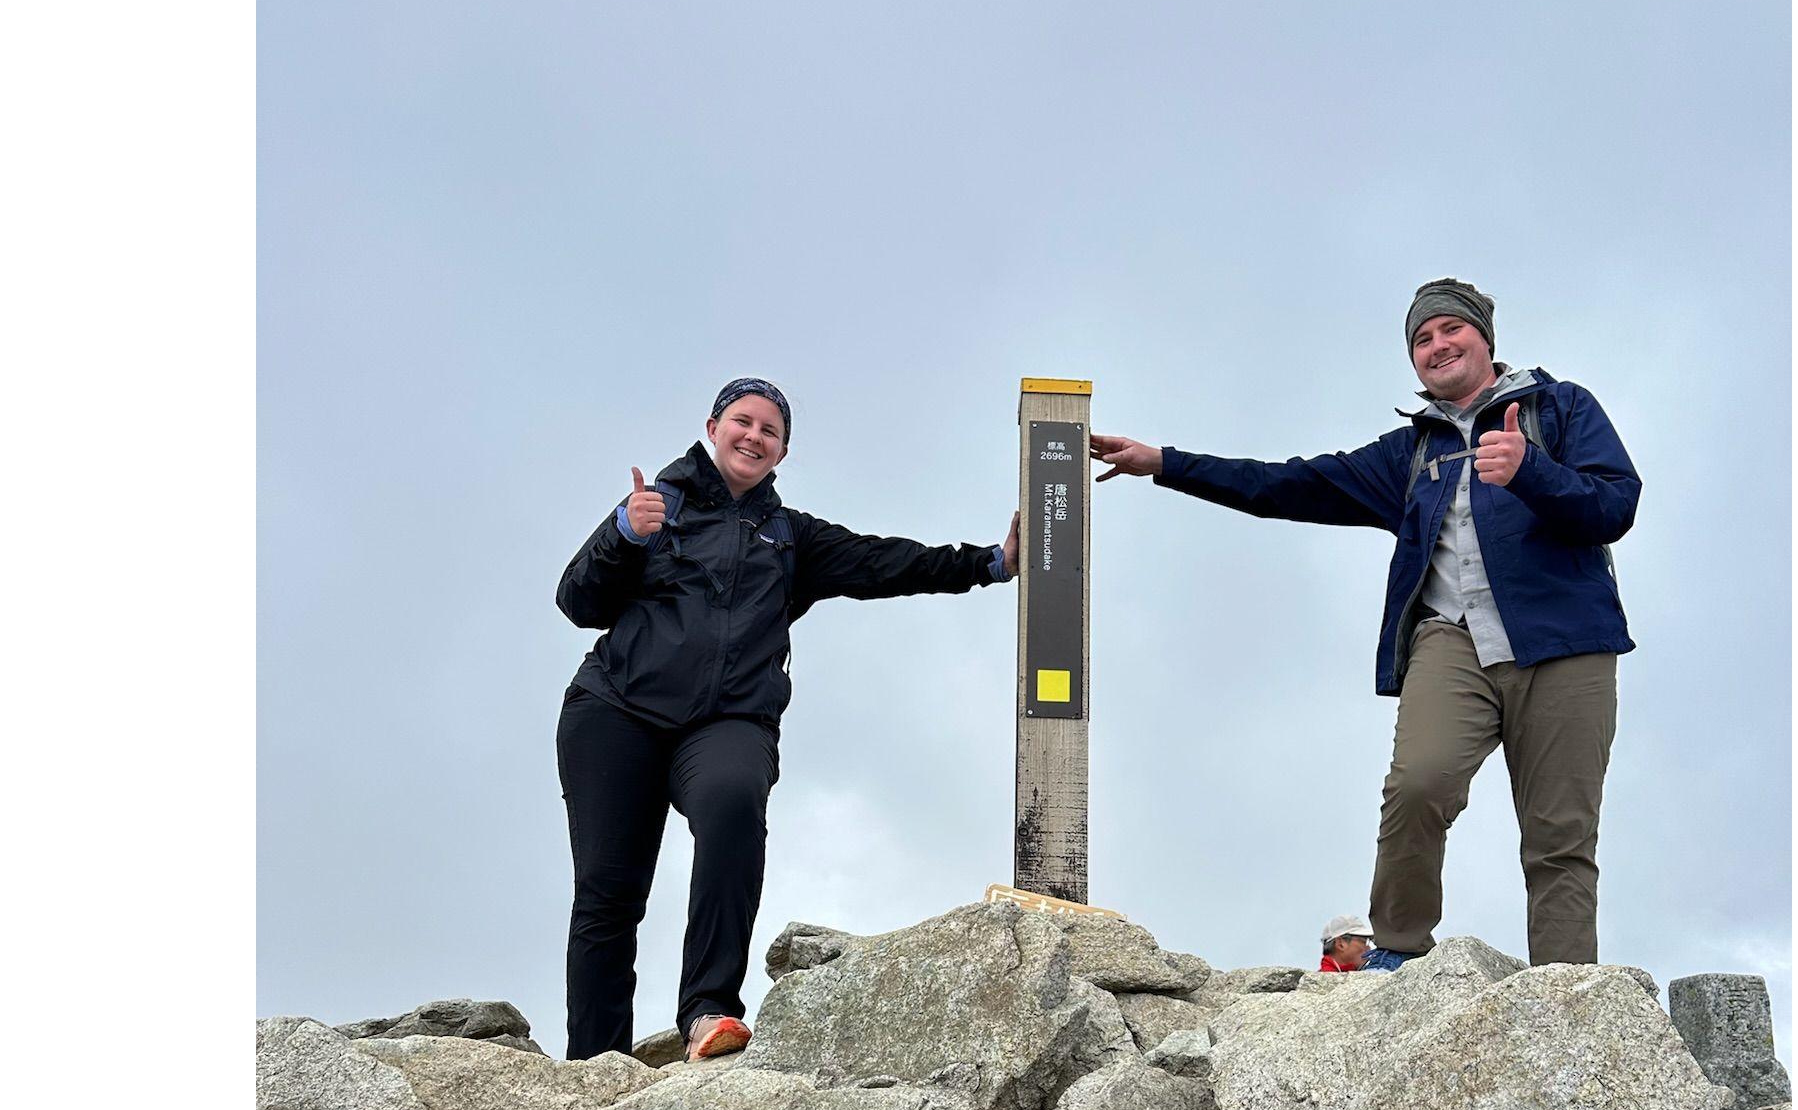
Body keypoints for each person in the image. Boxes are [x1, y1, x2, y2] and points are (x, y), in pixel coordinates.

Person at [1091, 279, 1639, 970]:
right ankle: (1400, 952)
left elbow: (1616, 503)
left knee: (1559, 834)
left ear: (1485, 338)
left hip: (1565, 642)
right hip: (1452, 638)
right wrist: (1163, 464)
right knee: (1417, 786)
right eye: (1421, 339)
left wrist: (1534, 474)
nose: (1437, 346)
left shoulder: (1560, 409)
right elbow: (1286, 485)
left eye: (1450, 330)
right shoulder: (1408, 453)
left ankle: (1564, 992)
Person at [555, 378, 1019, 1062]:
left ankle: (708, 1010)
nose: (753, 436)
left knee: (734, 801)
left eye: (769, 431)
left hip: (728, 719)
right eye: (742, 421)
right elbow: (578, 600)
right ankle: (595, 1064)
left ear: (782, 453)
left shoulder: (788, 538)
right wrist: (624, 534)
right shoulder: (655, 506)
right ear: (712, 427)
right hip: (615, 713)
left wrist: (991, 563)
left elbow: (882, 561)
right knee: (610, 893)